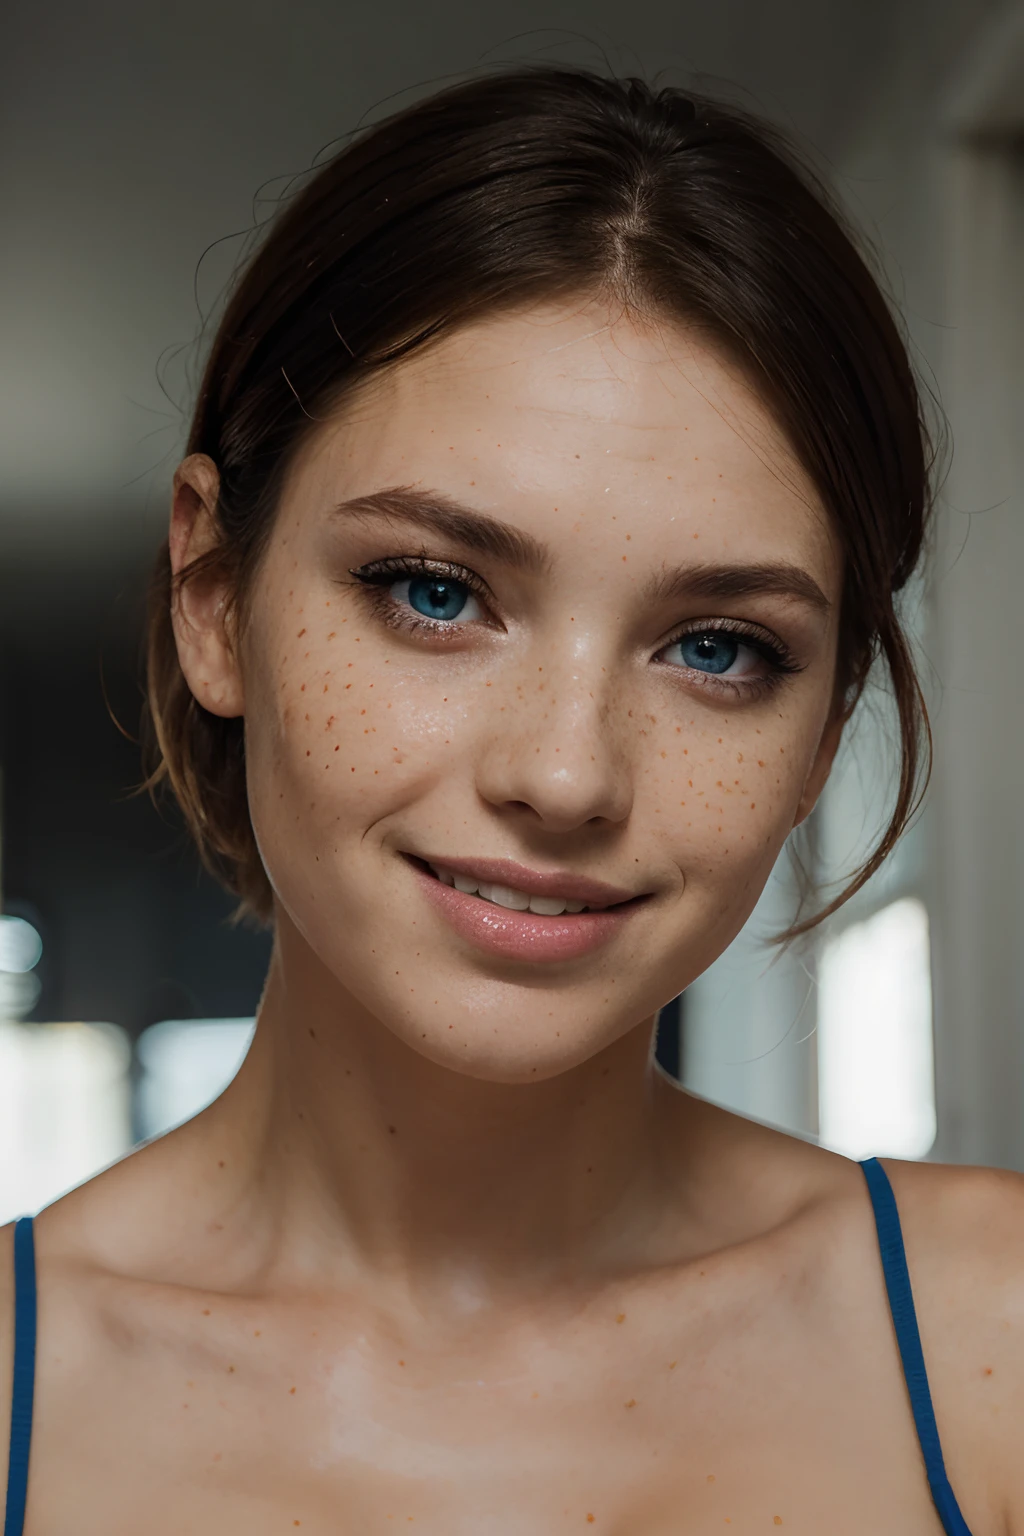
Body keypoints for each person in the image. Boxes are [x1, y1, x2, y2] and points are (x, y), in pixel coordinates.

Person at [2, 65, 1021, 1536]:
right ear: (215, 596)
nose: (563, 775)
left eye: (718, 649)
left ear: (824, 728)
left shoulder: (994, 1346)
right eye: (434, 592)